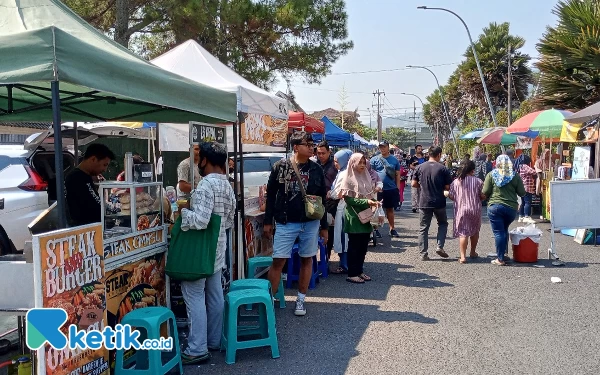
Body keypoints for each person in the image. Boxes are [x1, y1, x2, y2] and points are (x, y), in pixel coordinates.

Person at [179, 141, 236, 364]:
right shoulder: (226, 184)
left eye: (199, 158)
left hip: (199, 251)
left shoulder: (205, 185)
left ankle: (196, 349)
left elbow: (201, 221)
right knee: (214, 296)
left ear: (205, 160)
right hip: (218, 249)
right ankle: (214, 340)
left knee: (194, 297)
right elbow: (230, 219)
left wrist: (184, 213)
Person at [264, 131, 328, 316]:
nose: (311, 147)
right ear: (296, 147)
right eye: (307, 144)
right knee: (278, 261)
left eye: (312, 144)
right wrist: (268, 221)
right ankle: (269, 300)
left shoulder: (316, 169)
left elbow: (321, 199)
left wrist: (324, 227)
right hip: (285, 222)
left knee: (307, 259)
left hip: (310, 222)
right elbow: (271, 196)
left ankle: (301, 299)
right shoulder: (280, 167)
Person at [339, 153, 381, 284]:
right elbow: (349, 199)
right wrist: (367, 202)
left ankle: (359, 271)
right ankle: (352, 273)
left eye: (364, 162)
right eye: (359, 162)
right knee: (354, 246)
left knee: (363, 246)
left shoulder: (367, 177)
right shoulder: (348, 178)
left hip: (366, 215)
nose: (362, 165)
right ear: (353, 163)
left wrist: (375, 202)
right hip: (354, 217)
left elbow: (370, 195)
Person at [482, 155, 526, 266]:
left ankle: (500, 258)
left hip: (495, 207)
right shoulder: (515, 176)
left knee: (498, 232)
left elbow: (485, 191)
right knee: (504, 229)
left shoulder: (491, 175)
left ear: (497, 163)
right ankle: (504, 254)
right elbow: (522, 193)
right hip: (511, 209)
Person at [412, 146, 452, 261]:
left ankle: (423, 253)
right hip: (439, 201)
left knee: (423, 228)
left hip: (424, 201)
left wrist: (424, 187)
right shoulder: (443, 168)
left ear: (428, 154)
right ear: (439, 154)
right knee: (443, 224)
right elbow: (447, 186)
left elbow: (414, 184)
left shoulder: (419, 167)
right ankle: (439, 246)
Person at [65, 143, 115, 226]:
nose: (105, 169)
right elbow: (88, 208)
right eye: (104, 165)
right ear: (93, 159)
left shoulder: (87, 177)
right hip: (85, 230)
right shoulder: (76, 177)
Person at [448, 161, 484, 263]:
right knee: (475, 230)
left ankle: (463, 257)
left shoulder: (456, 182)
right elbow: (482, 195)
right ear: (473, 170)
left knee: (463, 233)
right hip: (475, 209)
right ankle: (473, 252)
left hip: (461, 210)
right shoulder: (478, 181)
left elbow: (451, 195)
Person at [370, 140, 401, 237]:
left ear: (388, 148)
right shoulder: (374, 160)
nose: (382, 149)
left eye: (384, 147)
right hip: (377, 189)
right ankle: (375, 229)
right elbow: (370, 174)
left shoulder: (394, 160)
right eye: (381, 147)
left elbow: (397, 175)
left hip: (391, 189)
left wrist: (397, 188)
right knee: (375, 209)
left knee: (390, 210)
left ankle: (392, 229)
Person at [330, 149, 353, 273]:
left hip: (343, 207)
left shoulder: (344, 174)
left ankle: (344, 265)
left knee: (343, 237)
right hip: (347, 208)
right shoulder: (348, 171)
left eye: (337, 161)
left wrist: (330, 193)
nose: (335, 164)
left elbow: (337, 193)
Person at [513, 154, 537, 224]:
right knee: (527, 202)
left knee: (522, 202)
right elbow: (533, 172)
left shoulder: (518, 167)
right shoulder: (525, 166)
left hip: (521, 187)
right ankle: (527, 216)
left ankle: (521, 217)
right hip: (527, 187)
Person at [408, 145, 427, 213]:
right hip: (414, 177)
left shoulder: (424, 158)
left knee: (421, 192)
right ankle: (414, 206)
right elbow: (410, 166)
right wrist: (417, 169)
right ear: (416, 150)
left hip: (422, 177)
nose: (420, 150)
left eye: (421, 149)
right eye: (419, 149)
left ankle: (420, 206)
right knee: (414, 192)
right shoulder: (413, 158)